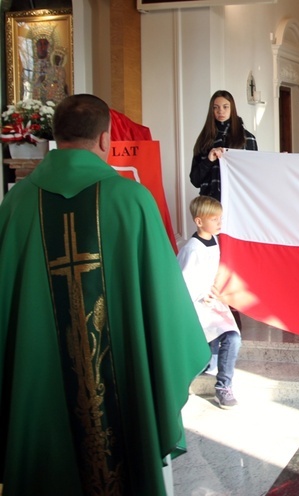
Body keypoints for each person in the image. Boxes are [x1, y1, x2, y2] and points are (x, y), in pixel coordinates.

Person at [0, 94, 210, 495]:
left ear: (55, 138)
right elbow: (165, 306)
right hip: (121, 396)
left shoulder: (16, 204)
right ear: (105, 139)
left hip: (39, 399)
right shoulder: (131, 201)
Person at [177, 196, 242, 409]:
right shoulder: (192, 249)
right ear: (199, 221)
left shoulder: (215, 240)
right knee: (231, 337)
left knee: (229, 334)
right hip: (198, 305)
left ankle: (211, 364)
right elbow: (181, 282)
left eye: (220, 218)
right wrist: (201, 296)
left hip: (214, 301)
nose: (219, 223)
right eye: (214, 219)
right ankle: (223, 387)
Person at [190, 90, 258, 201]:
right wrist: (208, 161)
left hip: (237, 200)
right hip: (209, 204)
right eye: (215, 107)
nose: (220, 111)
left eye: (225, 107)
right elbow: (195, 180)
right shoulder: (204, 139)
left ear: (232, 109)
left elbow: (254, 174)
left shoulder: (247, 138)